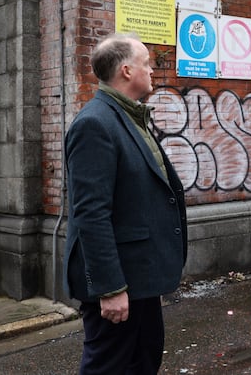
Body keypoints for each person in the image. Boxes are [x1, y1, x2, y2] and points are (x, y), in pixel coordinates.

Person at [63, 32, 187, 374]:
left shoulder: (130, 117)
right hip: (120, 282)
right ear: (127, 71)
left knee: (144, 359)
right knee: (110, 366)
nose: (152, 71)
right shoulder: (95, 124)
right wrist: (110, 288)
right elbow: (90, 214)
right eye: (146, 64)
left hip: (141, 274)